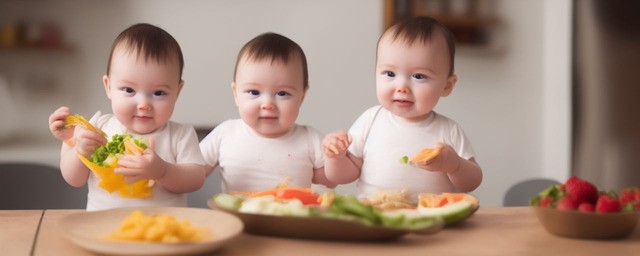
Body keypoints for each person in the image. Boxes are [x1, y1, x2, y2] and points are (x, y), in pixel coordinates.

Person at [48, 23, 206, 210]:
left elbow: (195, 180)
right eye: (129, 90)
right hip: (102, 228)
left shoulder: (181, 134)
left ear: (177, 92)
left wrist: (162, 171)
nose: (143, 104)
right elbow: (73, 179)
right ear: (108, 87)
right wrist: (79, 151)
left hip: (161, 231)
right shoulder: (97, 128)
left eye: (159, 93)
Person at [322, 16, 482, 202]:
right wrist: (335, 157)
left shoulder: (448, 130)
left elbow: (472, 182)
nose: (402, 87)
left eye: (419, 76)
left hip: (432, 217)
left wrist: (454, 165)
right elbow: (341, 176)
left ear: (447, 86)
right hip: (377, 216)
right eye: (390, 74)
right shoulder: (370, 120)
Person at [199, 32, 335, 193]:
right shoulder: (225, 134)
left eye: (282, 94)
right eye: (254, 92)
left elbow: (330, 180)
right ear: (236, 93)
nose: (268, 104)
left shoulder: (310, 139)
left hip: (291, 216)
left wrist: (336, 156)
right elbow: (192, 174)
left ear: (301, 97)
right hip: (237, 217)